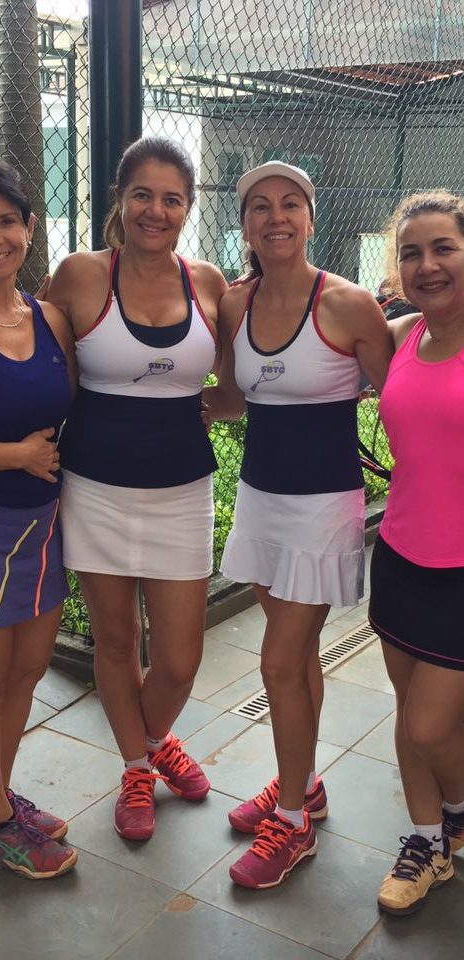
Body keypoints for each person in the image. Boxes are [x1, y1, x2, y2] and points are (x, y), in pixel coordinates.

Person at [206, 160, 392, 889]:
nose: (275, 217)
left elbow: (400, 398)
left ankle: (292, 822)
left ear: (311, 219)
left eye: (290, 204)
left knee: (280, 663)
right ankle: (304, 784)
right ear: (245, 223)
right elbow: (232, 399)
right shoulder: (234, 303)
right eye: (259, 206)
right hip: (260, 500)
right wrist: (157, 409)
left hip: (324, 508)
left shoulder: (347, 305)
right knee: (299, 655)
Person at [47, 136, 227, 842]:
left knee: (179, 658)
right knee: (118, 642)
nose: (157, 210)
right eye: (143, 194)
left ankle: (152, 743)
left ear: (188, 208)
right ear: (119, 199)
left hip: (182, 489)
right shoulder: (79, 275)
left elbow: (237, 384)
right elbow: (42, 372)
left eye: (172, 198)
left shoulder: (209, 283)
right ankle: (136, 768)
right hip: (95, 486)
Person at [0, 162, 78, 879]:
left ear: (30, 228)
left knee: (27, 671)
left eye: (7, 221)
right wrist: (14, 455)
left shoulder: (49, 318)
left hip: (44, 523)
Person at [369, 190, 464, 915]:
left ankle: (457, 811)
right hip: (400, 555)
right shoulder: (401, 335)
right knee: (410, 715)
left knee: (431, 726)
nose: (426, 265)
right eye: (411, 253)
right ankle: (429, 841)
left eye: (443, 249)